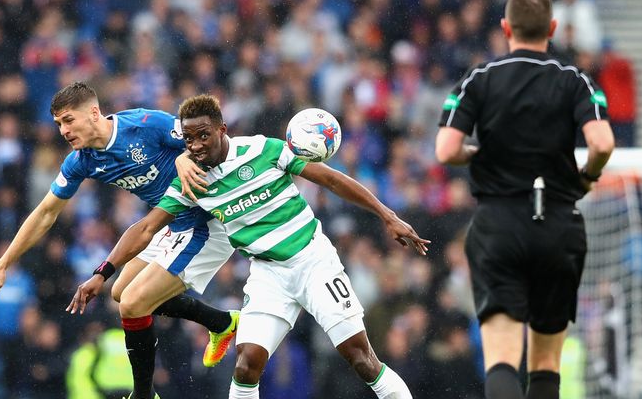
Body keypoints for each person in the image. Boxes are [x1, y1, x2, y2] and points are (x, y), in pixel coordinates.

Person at [68, 94, 430, 399]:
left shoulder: (264, 150)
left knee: (360, 358)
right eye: (189, 140)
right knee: (245, 366)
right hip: (268, 274)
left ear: (222, 130)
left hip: (313, 262)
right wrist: (104, 272)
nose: (195, 147)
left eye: (203, 137)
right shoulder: (193, 181)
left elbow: (331, 179)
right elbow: (146, 228)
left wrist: (387, 215)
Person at [0, 82, 240, 399]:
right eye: (58, 124)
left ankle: (144, 395)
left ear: (93, 112)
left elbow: (210, 141)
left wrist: (187, 156)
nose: (63, 130)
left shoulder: (145, 123)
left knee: (133, 303)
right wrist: (3, 263)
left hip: (206, 222)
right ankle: (221, 322)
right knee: (120, 292)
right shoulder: (82, 161)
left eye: (68, 120)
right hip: (168, 225)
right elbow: (46, 212)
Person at [435, 0, 615, 399]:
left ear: (505, 27)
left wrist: (479, 153)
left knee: (501, 358)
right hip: (557, 224)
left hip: (499, 224)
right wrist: (586, 176)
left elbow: (445, 150)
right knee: (546, 365)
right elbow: (602, 143)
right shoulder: (575, 79)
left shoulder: (479, 77)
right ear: (552, 28)